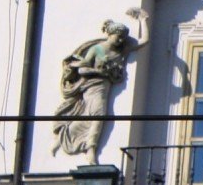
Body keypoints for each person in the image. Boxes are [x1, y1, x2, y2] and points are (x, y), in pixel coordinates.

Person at [52, 15, 144, 159]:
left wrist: (143, 20)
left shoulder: (121, 51)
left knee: (90, 115)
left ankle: (62, 139)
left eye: (123, 38)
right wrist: (99, 71)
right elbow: (82, 70)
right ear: (111, 34)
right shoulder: (97, 49)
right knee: (99, 115)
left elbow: (144, 41)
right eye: (118, 37)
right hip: (93, 87)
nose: (121, 40)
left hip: (104, 87)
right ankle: (91, 148)